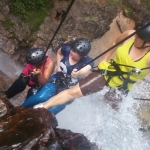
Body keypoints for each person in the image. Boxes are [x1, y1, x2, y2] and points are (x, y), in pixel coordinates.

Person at [34, 19, 150, 110]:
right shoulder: (130, 35)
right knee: (74, 92)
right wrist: (105, 58)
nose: (135, 36)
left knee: (110, 111)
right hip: (107, 72)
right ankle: (44, 107)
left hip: (122, 86)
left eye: (138, 37)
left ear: (147, 43)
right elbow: (115, 42)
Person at [24, 38, 94, 115]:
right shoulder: (66, 50)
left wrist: (78, 73)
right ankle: (21, 108)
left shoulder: (88, 61)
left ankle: (38, 121)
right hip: (57, 79)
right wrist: (59, 69)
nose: (71, 52)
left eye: (74, 52)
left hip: (69, 89)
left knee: (54, 109)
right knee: (41, 97)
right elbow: (59, 52)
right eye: (72, 49)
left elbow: (85, 70)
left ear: (82, 56)